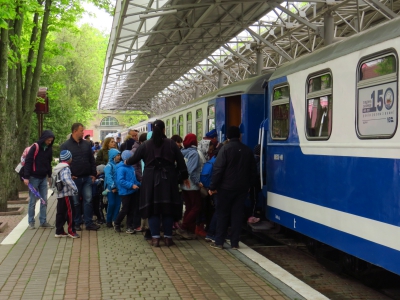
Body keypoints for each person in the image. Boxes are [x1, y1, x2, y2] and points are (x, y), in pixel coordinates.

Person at [126, 120, 189, 247]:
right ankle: (168, 238)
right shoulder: (171, 144)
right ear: (164, 130)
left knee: (153, 210)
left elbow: (134, 159)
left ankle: (155, 238)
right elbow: (181, 162)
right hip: (168, 179)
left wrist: (125, 162)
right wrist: (184, 177)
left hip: (150, 179)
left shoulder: (145, 145)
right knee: (168, 209)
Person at [209, 126, 257, 250]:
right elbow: (253, 171)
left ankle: (219, 242)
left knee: (222, 214)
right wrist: (249, 186)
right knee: (237, 215)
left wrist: (213, 186)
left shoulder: (224, 149)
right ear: (239, 136)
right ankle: (235, 243)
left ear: (228, 137)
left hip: (225, 188)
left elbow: (218, 170)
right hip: (241, 189)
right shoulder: (247, 150)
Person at [60, 123, 100, 231]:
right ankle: (76, 222)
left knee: (88, 200)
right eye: (81, 131)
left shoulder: (86, 144)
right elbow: (62, 163)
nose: (83, 133)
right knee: (76, 202)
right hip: (74, 179)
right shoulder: (66, 146)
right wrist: (68, 175)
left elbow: (91, 160)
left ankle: (89, 222)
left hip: (87, 177)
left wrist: (93, 174)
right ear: (74, 131)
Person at [24, 130, 55, 229]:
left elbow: (48, 163)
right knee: (32, 201)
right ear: (44, 138)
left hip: (43, 177)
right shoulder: (35, 147)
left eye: (51, 141)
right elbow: (28, 162)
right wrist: (26, 177)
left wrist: (49, 176)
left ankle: (43, 221)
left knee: (44, 200)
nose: (49, 142)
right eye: (48, 140)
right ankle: (31, 222)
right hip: (33, 177)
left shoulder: (49, 149)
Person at [176, 133, 203, 239]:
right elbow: (191, 171)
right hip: (191, 184)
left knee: (189, 207)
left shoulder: (182, 152)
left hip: (183, 184)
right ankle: (183, 227)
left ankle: (189, 230)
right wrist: (197, 182)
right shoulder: (194, 154)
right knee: (196, 206)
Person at [53, 150, 80, 238]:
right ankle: (71, 231)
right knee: (70, 212)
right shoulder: (66, 168)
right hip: (66, 194)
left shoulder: (59, 167)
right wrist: (75, 188)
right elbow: (66, 179)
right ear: (69, 159)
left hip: (60, 194)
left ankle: (59, 231)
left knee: (60, 212)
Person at [114, 150, 140, 233]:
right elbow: (120, 181)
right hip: (125, 192)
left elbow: (134, 179)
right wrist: (131, 185)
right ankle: (117, 222)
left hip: (132, 191)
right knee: (125, 209)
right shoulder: (121, 168)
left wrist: (140, 184)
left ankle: (129, 226)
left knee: (131, 209)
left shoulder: (131, 167)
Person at [104, 148, 122, 228]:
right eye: (117, 155)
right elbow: (108, 177)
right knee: (111, 204)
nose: (119, 157)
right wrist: (113, 186)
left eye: (119, 155)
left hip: (118, 188)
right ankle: (108, 220)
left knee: (118, 204)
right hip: (111, 189)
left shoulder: (118, 165)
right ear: (113, 156)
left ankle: (116, 220)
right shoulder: (109, 166)